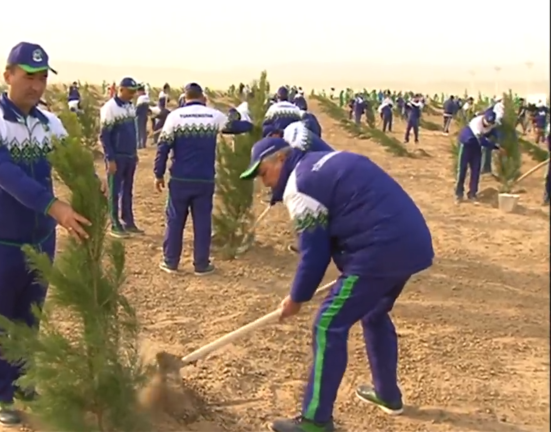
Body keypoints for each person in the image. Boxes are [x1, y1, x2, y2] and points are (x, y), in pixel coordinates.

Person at [239, 137, 434, 432]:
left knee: (328, 325)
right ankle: (387, 394)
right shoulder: (321, 163)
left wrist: (296, 298)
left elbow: (314, 253)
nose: (263, 183)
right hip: (411, 242)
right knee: (374, 312)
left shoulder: (300, 185)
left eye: (263, 172)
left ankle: (315, 421)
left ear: (280, 159)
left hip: (380, 249)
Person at [0, 41, 106, 426]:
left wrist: (91, 183)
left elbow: (72, 158)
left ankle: (27, 382)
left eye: (43, 77)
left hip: (41, 236)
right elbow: (2, 172)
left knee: (31, 315)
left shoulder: (49, 123)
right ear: (7, 75)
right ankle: (2, 392)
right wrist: (55, 206)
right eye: (29, 76)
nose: (37, 86)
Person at [153, 82, 252, 275]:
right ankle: (201, 264)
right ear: (203, 98)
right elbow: (237, 127)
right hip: (204, 179)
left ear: (185, 97)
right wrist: (245, 119)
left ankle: (171, 261)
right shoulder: (213, 115)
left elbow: (163, 147)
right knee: (202, 222)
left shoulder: (174, 117)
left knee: (175, 220)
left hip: (180, 179)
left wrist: (158, 173)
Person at [100, 76, 142, 238]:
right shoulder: (110, 108)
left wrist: (135, 153)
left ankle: (128, 221)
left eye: (134, 92)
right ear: (121, 89)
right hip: (117, 156)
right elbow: (105, 135)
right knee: (114, 191)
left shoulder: (130, 107)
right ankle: (114, 223)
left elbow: (133, 132)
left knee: (128, 190)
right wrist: (110, 158)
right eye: (130, 91)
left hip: (130, 156)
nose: (132, 94)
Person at [455, 110, 501, 203]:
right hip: (467, 144)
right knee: (462, 170)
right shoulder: (476, 123)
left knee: (476, 171)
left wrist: (500, 142)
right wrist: (496, 147)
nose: (488, 125)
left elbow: (495, 132)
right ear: (484, 118)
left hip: (476, 147)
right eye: (487, 122)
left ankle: (472, 194)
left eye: (490, 123)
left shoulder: (492, 124)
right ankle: (459, 194)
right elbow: (482, 141)